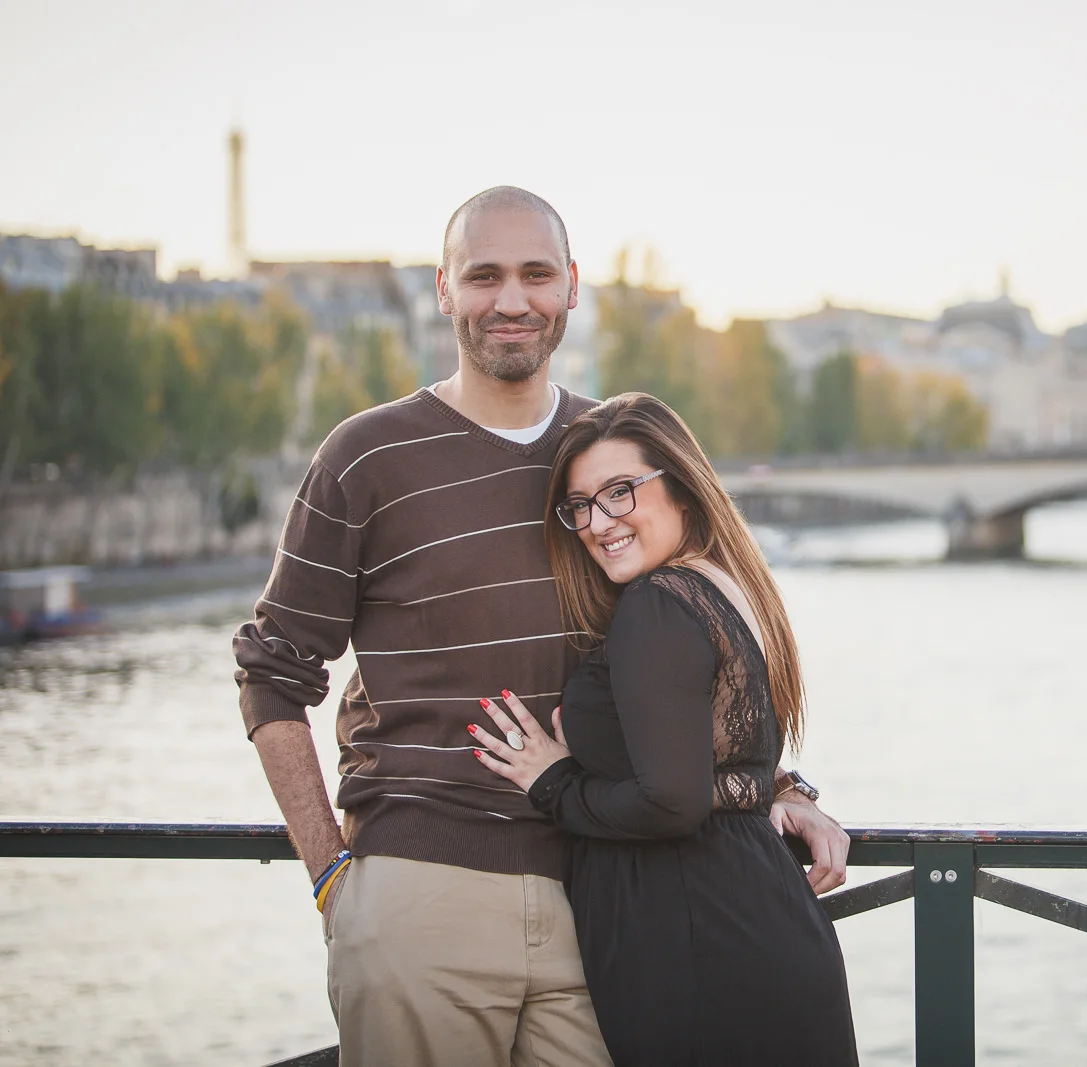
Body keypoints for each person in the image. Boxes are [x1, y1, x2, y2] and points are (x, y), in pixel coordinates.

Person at [232, 186, 851, 1067]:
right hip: (423, 892)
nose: (511, 299)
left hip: (605, 903)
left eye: (534, 275)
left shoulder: (605, 465)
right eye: (484, 275)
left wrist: (778, 788)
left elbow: (680, 660)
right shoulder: (366, 456)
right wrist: (334, 876)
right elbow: (272, 671)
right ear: (445, 290)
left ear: (570, 287)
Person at [471, 392, 859, 1065]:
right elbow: (718, 758)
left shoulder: (655, 604)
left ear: (680, 486)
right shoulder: (725, 585)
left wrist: (554, 782)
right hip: (750, 923)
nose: (598, 522)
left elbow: (672, 799)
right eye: (581, 504)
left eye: (621, 492)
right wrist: (783, 791)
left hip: (698, 946)